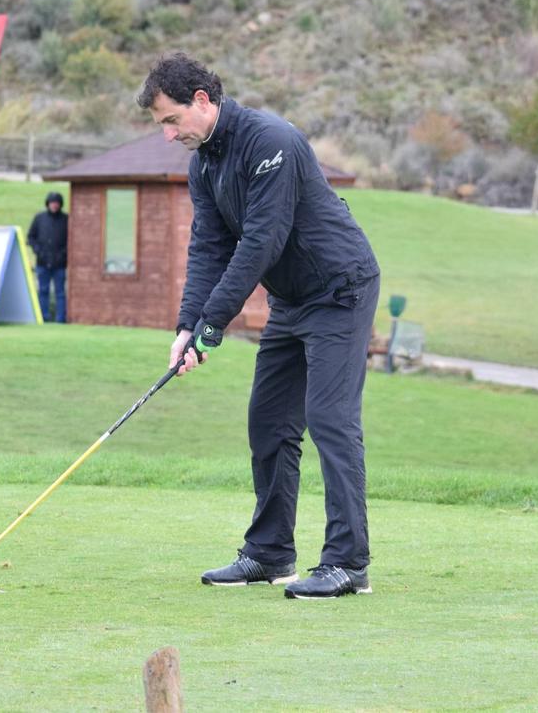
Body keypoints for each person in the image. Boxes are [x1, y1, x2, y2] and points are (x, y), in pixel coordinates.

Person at [137, 53, 380, 600]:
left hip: (341, 288)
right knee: (268, 420)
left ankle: (348, 563)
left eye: (171, 120)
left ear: (202, 100)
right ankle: (270, 554)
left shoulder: (273, 142)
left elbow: (261, 242)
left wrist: (213, 325)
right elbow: (209, 248)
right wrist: (187, 326)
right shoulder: (204, 164)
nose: (170, 134)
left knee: (329, 418)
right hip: (293, 300)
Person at [27, 191, 68, 323]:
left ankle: (60, 319)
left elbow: (72, 240)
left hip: (60, 263)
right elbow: (30, 237)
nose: (54, 205)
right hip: (42, 262)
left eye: (56, 203)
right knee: (43, 291)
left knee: (60, 293)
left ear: (60, 204)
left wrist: (63, 254)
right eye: (52, 203)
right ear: (48, 204)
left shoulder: (66, 219)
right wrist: (38, 250)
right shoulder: (39, 218)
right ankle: (43, 318)